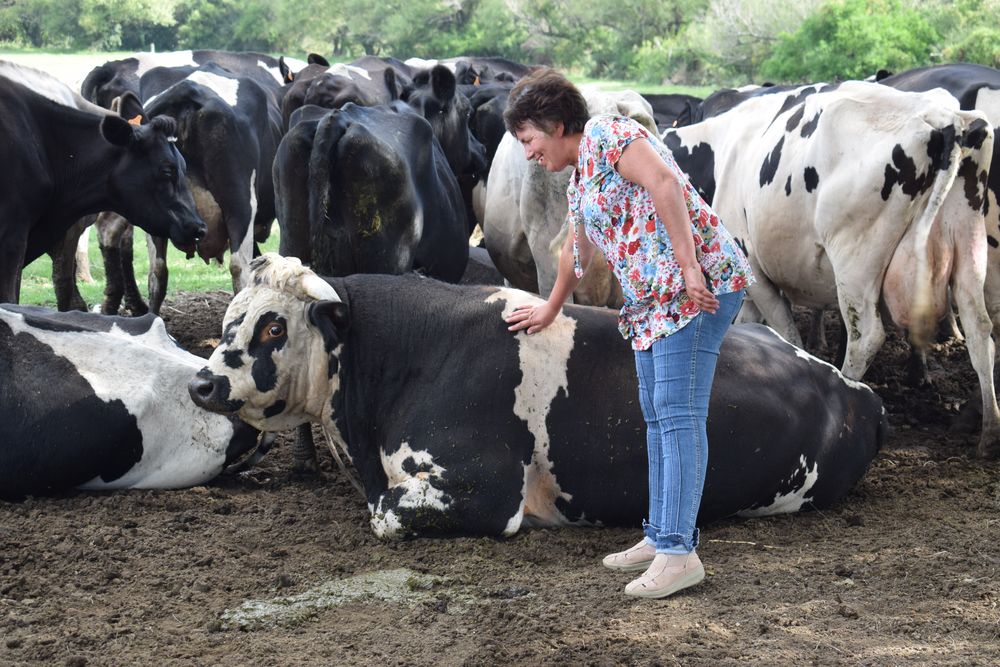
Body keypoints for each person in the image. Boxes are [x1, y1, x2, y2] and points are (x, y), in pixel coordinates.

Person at [503, 69, 754, 599]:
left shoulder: (611, 135)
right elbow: (579, 252)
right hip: (654, 299)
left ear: (554, 123)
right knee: (658, 416)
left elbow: (664, 183)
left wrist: (689, 268)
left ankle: (680, 554)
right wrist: (550, 307)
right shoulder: (579, 179)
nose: (527, 153)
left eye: (528, 139)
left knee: (678, 416)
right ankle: (662, 536)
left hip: (697, 287)